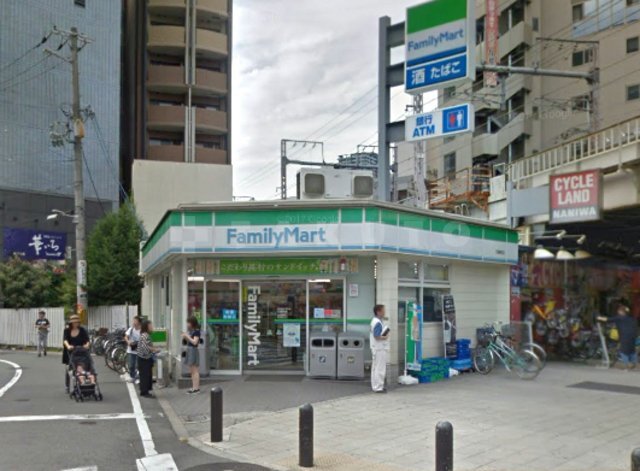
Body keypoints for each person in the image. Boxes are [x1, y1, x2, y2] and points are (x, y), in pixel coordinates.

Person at [598, 303, 639, 370]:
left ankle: (627, 366)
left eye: (619, 311)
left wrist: (599, 318)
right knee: (632, 350)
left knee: (623, 351)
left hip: (625, 336)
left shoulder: (619, 317)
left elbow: (608, 319)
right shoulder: (631, 319)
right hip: (633, 336)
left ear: (621, 311)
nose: (618, 312)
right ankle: (634, 364)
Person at [62, 315, 90, 393]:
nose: (75, 324)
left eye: (77, 322)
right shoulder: (67, 330)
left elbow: (87, 340)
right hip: (70, 352)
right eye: (73, 322)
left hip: (80, 351)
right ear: (71, 323)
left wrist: (87, 345)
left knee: (80, 368)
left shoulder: (82, 330)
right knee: (68, 369)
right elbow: (65, 340)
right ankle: (67, 386)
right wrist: (68, 346)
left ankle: (78, 385)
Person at [137, 319, 159, 398]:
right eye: (150, 326)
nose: (152, 327)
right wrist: (154, 350)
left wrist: (153, 349)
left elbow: (146, 346)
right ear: (146, 327)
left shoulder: (145, 335)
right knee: (145, 376)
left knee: (146, 375)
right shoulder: (145, 335)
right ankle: (144, 392)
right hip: (144, 359)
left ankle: (145, 391)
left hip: (144, 358)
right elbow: (145, 348)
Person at [370, 304, 390, 393]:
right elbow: (377, 336)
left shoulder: (374, 321)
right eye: (383, 310)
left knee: (375, 368)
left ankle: (375, 386)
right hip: (379, 348)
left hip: (375, 348)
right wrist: (385, 337)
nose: (384, 312)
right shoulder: (377, 322)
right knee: (380, 368)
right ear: (378, 312)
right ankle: (379, 387)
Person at [182, 317, 201, 394]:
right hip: (190, 350)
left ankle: (196, 388)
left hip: (193, 350)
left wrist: (187, 336)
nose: (187, 324)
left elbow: (195, 342)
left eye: (188, 322)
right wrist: (185, 337)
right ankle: (194, 387)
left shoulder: (196, 331)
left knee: (194, 370)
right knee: (192, 371)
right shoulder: (192, 331)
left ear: (192, 323)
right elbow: (190, 341)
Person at [124, 316, 141, 383]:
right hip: (131, 350)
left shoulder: (142, 330)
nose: (133, 322)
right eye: (133, 321)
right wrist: (128, 342)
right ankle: (132, 377)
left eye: (135, 321)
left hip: (139, 351)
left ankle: (137, 378)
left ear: (139, 322)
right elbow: (125, 337)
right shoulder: (131, 329)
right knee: (131, 366)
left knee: (138, 366)